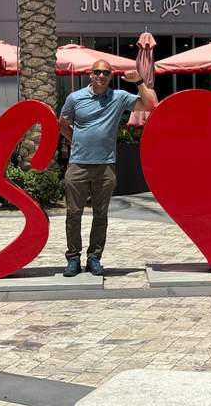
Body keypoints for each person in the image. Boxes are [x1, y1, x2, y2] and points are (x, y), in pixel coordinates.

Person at [58, 60, 156, 277]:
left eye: (105, 72)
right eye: (97, 72)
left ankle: (94, 258)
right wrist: (77, 142)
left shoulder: (119, 97)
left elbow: (149, 104)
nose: (101, 75)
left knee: (100, 215)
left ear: (110, 76)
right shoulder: (75, 98)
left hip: (105, 166)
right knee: (73, 214)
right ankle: (73, 258)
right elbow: (63, 124)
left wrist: (139, 82)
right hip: (78, 164)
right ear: (90, 74)